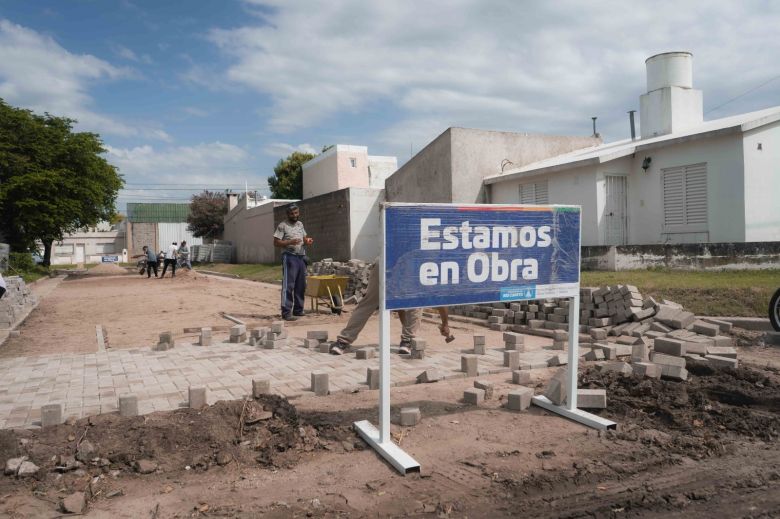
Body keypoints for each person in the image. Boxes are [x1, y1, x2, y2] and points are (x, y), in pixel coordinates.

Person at [329, 260, 451, 355]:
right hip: (408, 261)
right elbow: (440, 299)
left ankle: (342, 342)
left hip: (384, 259)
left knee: (369, 302)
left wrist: (407, 330)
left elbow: (399, 305)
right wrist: (445, 324)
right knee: (416, 301)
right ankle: (407, 342)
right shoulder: (429, 266)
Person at [273, 204, 313, 321]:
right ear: (287, 214)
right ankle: (286, 312)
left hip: (301, 257)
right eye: (292, 214)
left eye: (296, 213)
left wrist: (307, 241)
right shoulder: (282, 226)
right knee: (288, 285)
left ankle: (298, 310)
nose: (294, 215)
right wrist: (289, 242)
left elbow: (304, 239)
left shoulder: (300, 224)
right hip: (289, 257)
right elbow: (276, 242)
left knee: (301, 285)